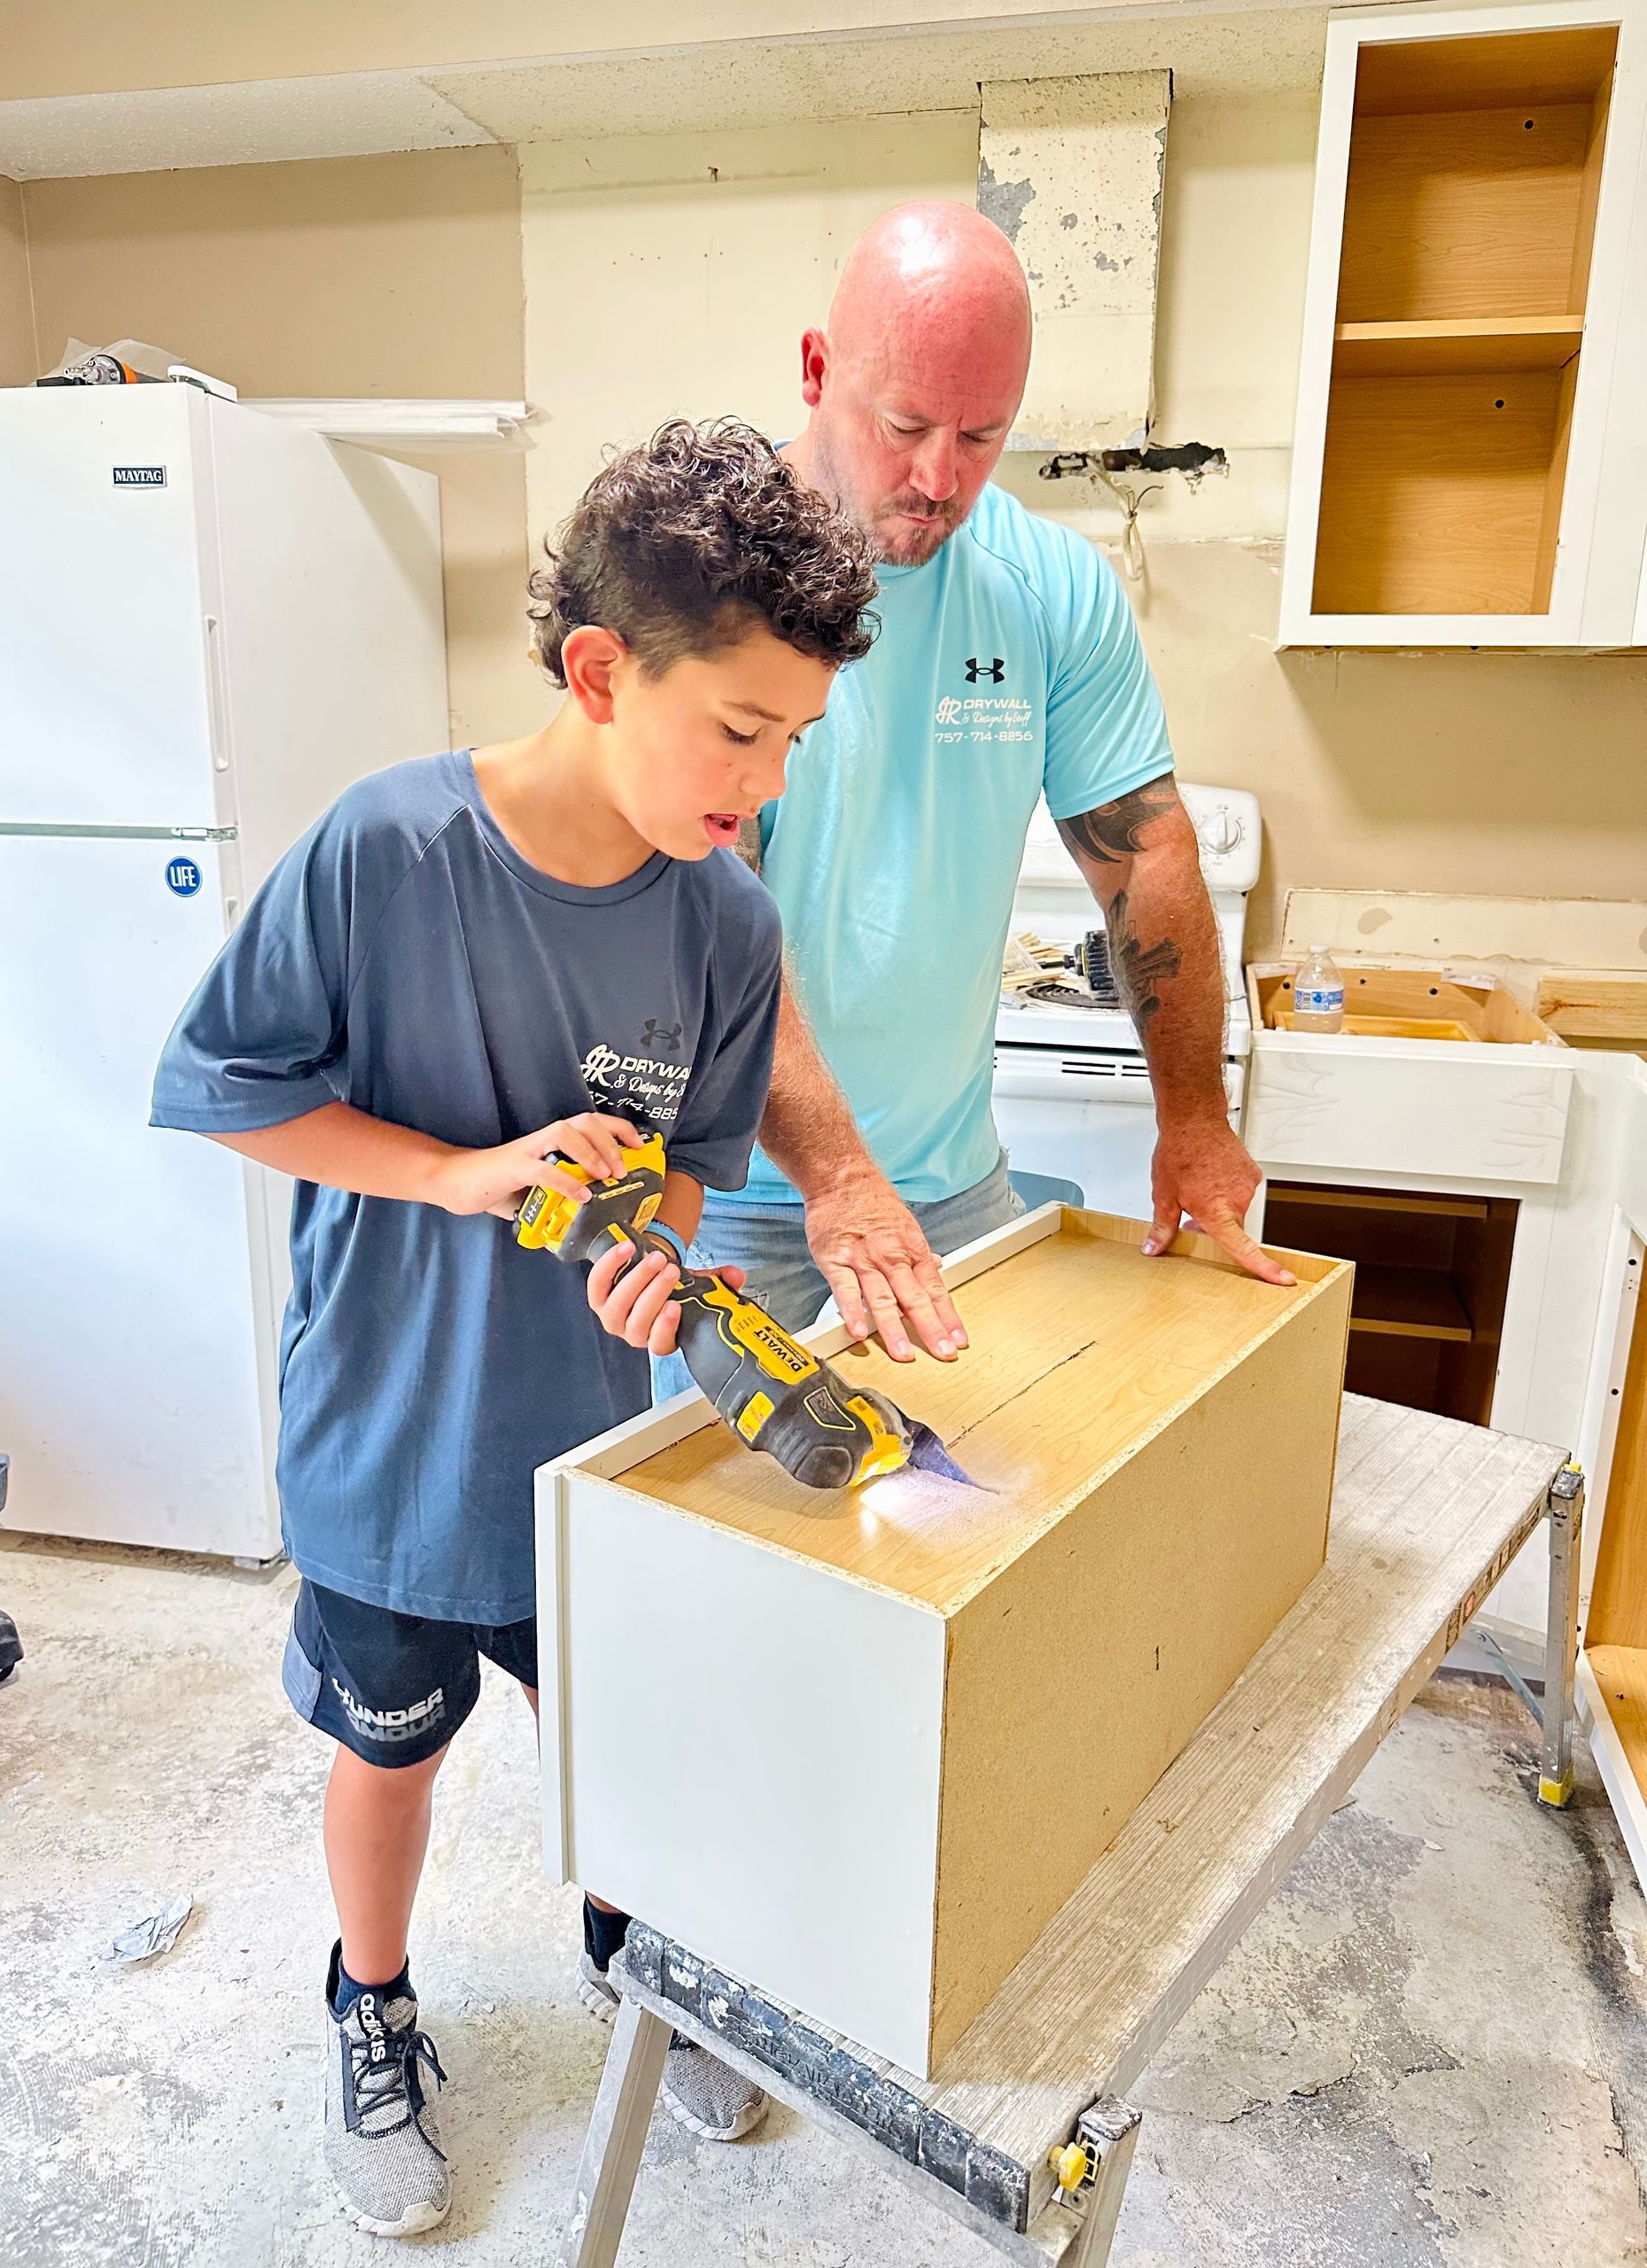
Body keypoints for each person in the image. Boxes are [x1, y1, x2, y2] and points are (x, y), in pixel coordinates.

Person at [150, 420, 877, 2237]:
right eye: (739, 730)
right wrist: (468, 1174)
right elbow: (224, 1086)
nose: (765, 782)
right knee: (388, 1745)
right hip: (389, 1445)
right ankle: (371, 1999)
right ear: (601, 669)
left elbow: (699, 1166)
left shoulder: (724, 922)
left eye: (793, 740)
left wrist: (656, 1257)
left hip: (589, 1441)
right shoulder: (386, 849)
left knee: (624, 1734)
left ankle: (638, 1964)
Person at [654, 204, 1293, 1402]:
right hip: (734, 1192)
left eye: (983, 435)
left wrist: (1196, 1122)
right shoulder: (707, 589)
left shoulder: (1047, 587)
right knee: (733, 1548)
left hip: (952, 1181)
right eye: (903, 427)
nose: (939, 479)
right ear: (815, 371)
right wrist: (838, 1178)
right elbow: (704, 934)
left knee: (980, 1519)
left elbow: (1146, 856)